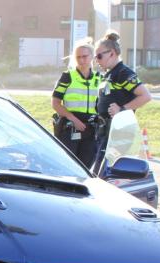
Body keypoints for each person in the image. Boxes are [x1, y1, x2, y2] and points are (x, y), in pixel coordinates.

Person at [94, 30, 151, 171]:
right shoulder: (109, 74)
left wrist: (122, 109)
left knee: (105, 172)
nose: (97, 60)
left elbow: (145, 96)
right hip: (105, 130)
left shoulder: (123, 73)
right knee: (99, 171)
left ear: (112, 53)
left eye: (99, 56)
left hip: (117, 133)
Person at [51, 38, 101, 167]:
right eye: (78, 57)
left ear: (92, 57)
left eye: (85, 56)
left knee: (86, 167)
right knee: (68, 166)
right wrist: (73, 119)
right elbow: (55, 103)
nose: (81, 60)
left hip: (91, 130)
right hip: (70, 129)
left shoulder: (99, 78)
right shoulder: (67, 76)